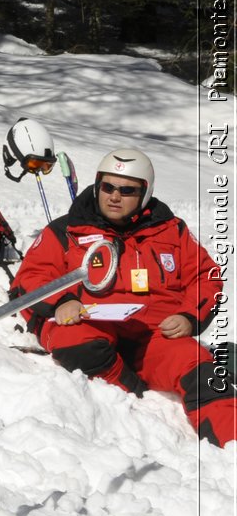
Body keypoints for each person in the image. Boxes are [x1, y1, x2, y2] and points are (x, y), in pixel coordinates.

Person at [12, 146, 233, 445]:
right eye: (108, 186)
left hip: (154, 336)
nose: (115, 196)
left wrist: (189, 316)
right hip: (90, 325)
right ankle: (133, 399)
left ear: (144, 193)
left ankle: (230, 445)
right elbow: (29, 278)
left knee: (204, 370)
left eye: (127, 190)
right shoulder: (67, 230)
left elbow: (206, 277)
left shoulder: (171, 231)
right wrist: (62, 301)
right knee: (77, 344)